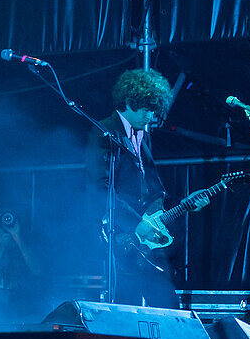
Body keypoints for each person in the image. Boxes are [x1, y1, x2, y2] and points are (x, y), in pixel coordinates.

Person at [85, 68, 206, 307]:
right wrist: (136, 223)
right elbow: (99, 188)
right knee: (126, 306)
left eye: (154, 109)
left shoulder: (144, 136)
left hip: (147, 237)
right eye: (147, 109)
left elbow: (151, 190)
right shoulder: (103, 132)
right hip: (122, 236)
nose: (151, 116)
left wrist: (185, 204)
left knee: (167, 303)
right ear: (129, 102)